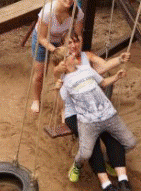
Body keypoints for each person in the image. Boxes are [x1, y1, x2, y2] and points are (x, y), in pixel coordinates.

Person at [54, 32, 133, 191]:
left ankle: (120, 174)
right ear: (63, 47)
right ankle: (105, 183)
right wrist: (58, 71)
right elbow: (56, 75)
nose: (73, 46)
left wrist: (119, 60)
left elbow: (102, 67)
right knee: (94, 142)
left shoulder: (85, 58)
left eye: (76, 42)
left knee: (110, 136)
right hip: (75, 114)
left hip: (96, 109)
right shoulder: (62, 65)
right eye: (69, 43)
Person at [31, 0, 84, 113]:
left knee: (64, 73)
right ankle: (36, 100)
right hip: (42, 41)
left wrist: (76, 51)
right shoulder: (48, 11)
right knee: (39, 74)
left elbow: (78, 35)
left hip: (61, 40)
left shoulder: (77, 12)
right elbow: (42, 38)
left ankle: (64, 106)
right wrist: (55, 50)